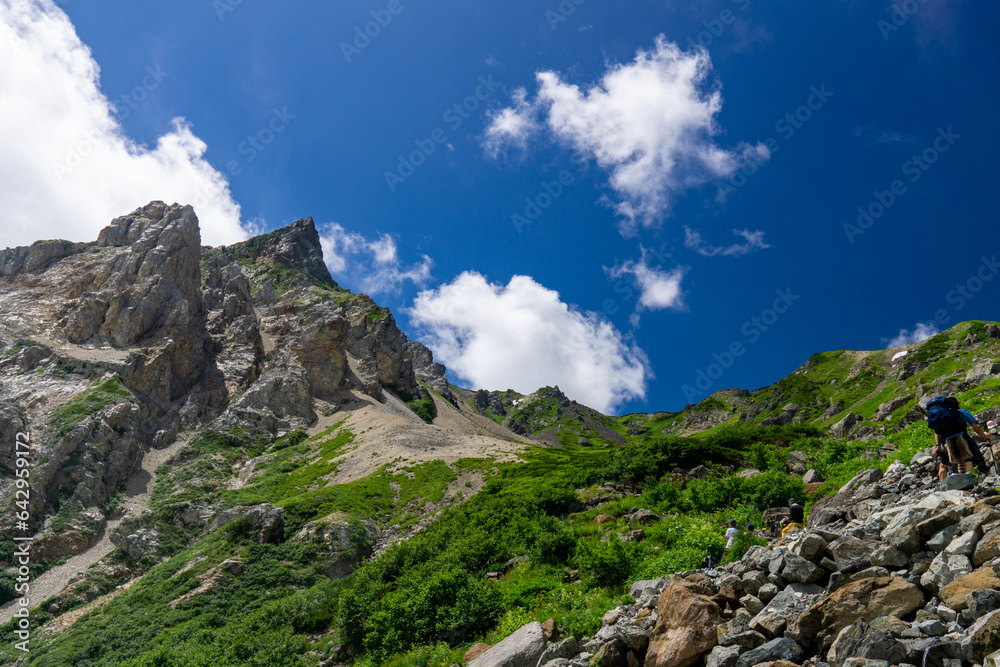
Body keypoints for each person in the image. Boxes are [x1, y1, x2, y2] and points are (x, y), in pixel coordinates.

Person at [927, 396, 975, 475]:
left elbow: (936, 432)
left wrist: (938, 445)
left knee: (943, 465)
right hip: (961, 438)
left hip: (946, 442)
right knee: (968, 461)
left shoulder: (942, 418)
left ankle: (943, 485)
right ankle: (971, 484)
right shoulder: (960, 413)